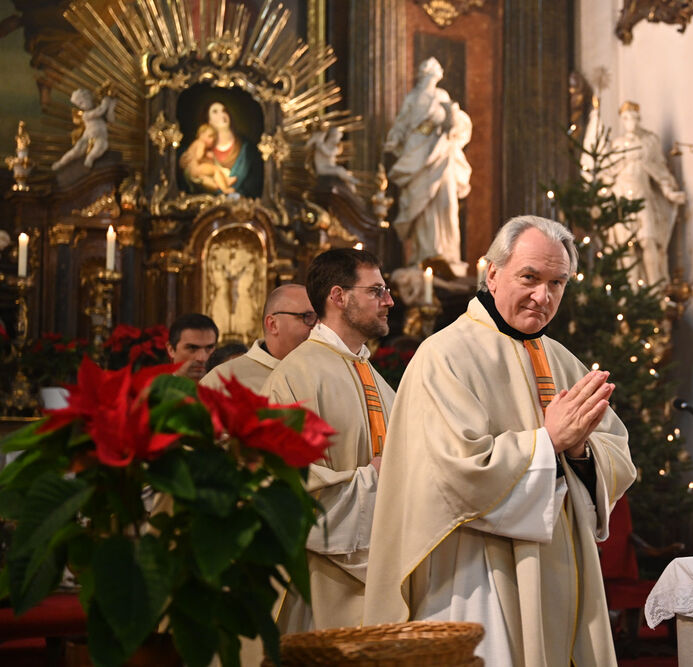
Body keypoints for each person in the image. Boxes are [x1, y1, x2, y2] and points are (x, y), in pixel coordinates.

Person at [364, 216, 637, 666]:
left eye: (557, 283)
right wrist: (549, 441)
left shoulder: (563, 361)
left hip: (563, 565)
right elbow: (456, 472)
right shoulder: (444, 356)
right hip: (478, 572)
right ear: (492, 274)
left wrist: (580, 451)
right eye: (530, 277)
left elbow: (617, 453)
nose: (543, 296)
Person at [262, 248, 395, 631]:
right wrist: (375, 478)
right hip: (320, 588)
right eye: (376, 291)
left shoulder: (377, 379)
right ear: (338, 296)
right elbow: (284, 489)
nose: (389, 301)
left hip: (381, 578)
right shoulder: (294, 377)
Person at [384, 56, 472, 277]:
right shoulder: (413, 97)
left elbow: (455, 121)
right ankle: (423, 255)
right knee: (421, 204)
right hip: (417, 150)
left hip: (441, 150)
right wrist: (395, 138)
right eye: (427, 73)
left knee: (446, 202)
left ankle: (448, 255)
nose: (431, 77)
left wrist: (451, 121)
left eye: (434, 73)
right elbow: (402, 123)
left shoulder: (442, 95)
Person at [605, 101, 686, 287]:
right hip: (622, 197)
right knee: (626, 247)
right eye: (626, 118)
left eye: (633, 117)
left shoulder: (649, 142)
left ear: (638, 118)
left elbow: (660, 170)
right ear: (622, 120)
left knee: (649, 241)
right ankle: (632, 291)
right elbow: (608, 174)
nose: (630, 122)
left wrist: (669, 192)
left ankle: (655, 290)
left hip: (643, 195)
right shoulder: (617, 145)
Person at [201, 284, 316, 393]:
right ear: (273, 324)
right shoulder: (221, 381)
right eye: (309, 317)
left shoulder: (323, 371)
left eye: (321, 318)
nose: (318, 326)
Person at [181, 100, 262, 197]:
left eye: (224, 111)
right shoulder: (201, 146)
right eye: (215, 112)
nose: (222, 114)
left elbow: (255, 184)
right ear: (209, 121)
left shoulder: (247, 149)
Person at [52, 87, 117, 170]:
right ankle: (61, 163)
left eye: (82, 103)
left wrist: (111, 106)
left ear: (89, 98)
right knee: (76, 151)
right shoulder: (85, 115)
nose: (81, 107)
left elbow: (111, 120)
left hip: (100, 136)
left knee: (102, 145)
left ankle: (90, 158)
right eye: (79, 105)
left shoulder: (101, 112)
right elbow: (100, 110)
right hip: (87, 136)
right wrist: (105, 102)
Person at [179, 123, 237, 194]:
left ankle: (223, 182)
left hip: (192, 170)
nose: (212, 140)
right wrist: (206, 156)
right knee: (215, 170)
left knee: (211, 183)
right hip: (196, 169)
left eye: (214, 139)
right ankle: (225, 189)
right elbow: (198, 157)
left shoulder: (194, 143)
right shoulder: (201, 143)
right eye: (210, 136)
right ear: (201, 134)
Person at [166, 313, 218, 381]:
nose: (202, 358)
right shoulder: (155, 386)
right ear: (171, 350)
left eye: (209, 348)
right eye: (192, 348)